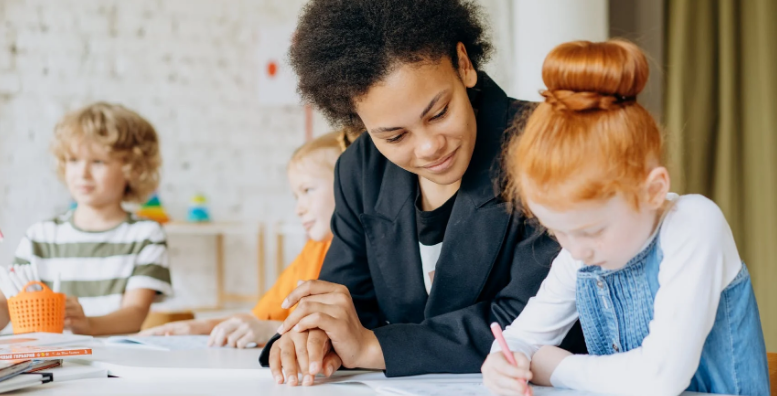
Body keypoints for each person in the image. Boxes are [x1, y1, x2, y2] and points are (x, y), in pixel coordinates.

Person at [262, 0, 587, 386]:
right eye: (395, 136)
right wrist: (315, 336)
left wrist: (371, 348)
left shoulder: (549, 143)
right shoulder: (359, 169)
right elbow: (349, 302)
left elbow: (532, 319)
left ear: (464, 64)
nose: (429, 147)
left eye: (438, 113)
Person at [481, 40, 770, 396]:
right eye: (559, 232)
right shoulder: (579, 253)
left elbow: (659, 379)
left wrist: (556, 367)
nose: (576, 251)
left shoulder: (694, 225)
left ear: (653, 190)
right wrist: (502, 361)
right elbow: (522, 336)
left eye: (592, 230)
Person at [140, 131, 350, 348]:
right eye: (296, 196)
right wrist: (197, 328)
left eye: (308, 190)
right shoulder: (313, 251)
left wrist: (272, 331)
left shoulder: (362, 256)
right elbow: (259, 318)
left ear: (350, 185)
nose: (299, 209)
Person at [0, 102, 173, 335]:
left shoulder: (146, 235)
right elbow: (7, 304)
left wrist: (88, 324)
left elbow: (134, 314)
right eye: (73, 160)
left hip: (114, 363)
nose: (82, 173)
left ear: (133, 168)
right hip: (52, 364)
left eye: (98, 162)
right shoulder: (40, 235)